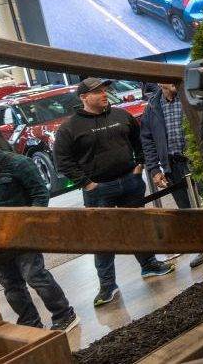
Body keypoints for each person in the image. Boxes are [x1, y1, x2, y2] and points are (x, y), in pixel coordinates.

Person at [54, 78, 174, 307]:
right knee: (103, 238)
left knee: (137, 226)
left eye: (104, 90)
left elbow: (140, 141)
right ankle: (107, 286)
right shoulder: (70, 127)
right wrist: (87, 184)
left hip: (130, 182)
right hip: (99, 190)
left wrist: (138, 166)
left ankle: (149, 265)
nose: (103, 94)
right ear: (83, 98)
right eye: (97, 92)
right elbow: (63, 161)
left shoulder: (121, 115)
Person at [0, 125, 78, 331]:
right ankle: (30, 323)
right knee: (11, 286)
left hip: (22, 234)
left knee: (36, 277)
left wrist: (31, 225)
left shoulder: (18, 163)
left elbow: (39, 195)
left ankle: (64, 314)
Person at [140, 82, 203, 268]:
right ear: (160, 83)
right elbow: (147, 139)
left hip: (197, 160)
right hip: (173, 166)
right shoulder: (153, 106)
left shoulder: (190, 95)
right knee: (186, 210)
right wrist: (154, 169)